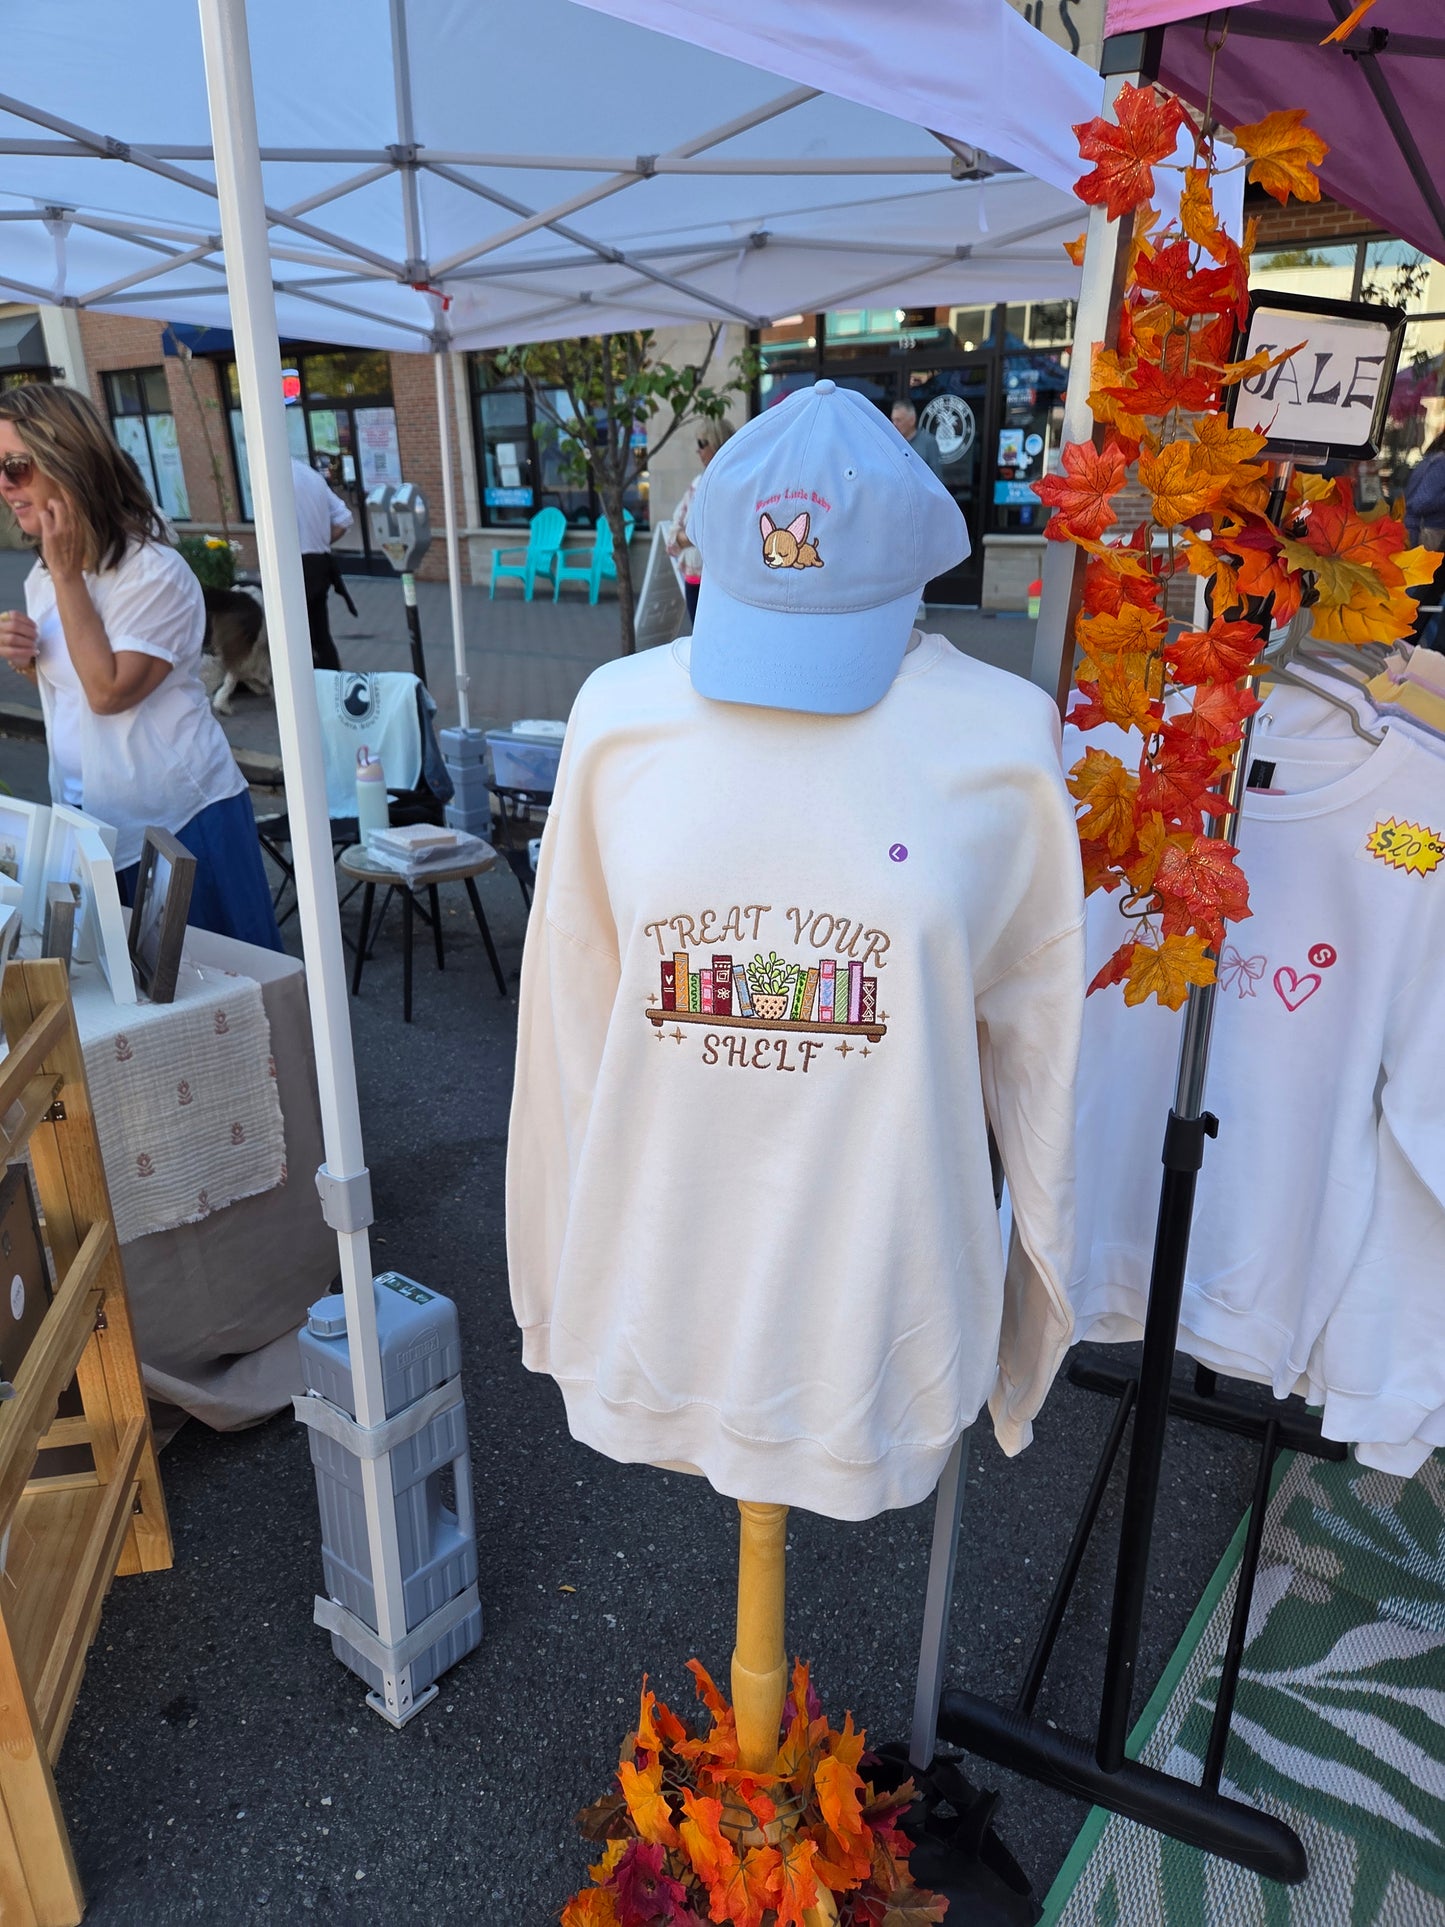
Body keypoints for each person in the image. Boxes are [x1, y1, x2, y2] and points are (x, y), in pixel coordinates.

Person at [0, 383, 284, 950]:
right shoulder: (43, 576)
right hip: (95, 820)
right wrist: (27, 661)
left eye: (16, 466)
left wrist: (65, 578)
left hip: (178, 822)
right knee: (138, 1002)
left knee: (225, 990)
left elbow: (108, 692)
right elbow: (77, 696)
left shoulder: (153, 573)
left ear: (69, 459)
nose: (5, 485)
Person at [665, 419, 734, 621]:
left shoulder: (737, 484)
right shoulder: (698, 484)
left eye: (702, 444)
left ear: (718, 442)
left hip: (725, 582)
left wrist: (690, 536)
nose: (698, 451)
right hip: (696, 577)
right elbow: (673, 535)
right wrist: (691, 537)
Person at [293, 453, 354, 672]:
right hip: (319, 563)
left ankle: (309, 692)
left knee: (297, 637)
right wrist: (319, 540)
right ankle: (333, 684)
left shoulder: (275, 478)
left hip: (296, 566)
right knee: (320, 634)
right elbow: (344, 518)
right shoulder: (311, 475)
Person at [1404, 431, 1445, 650]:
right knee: (1416, 594)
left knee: (1418, 593)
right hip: (1427, 533)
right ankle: (1399, 644)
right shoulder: (1442, 464)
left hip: (1421, 531)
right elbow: (1421, 501)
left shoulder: (1433, 459)